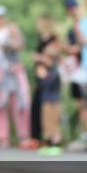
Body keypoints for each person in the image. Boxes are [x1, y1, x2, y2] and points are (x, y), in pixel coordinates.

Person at [0, 5, 31, 148]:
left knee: (21, 102)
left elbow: (20, 45)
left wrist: (14, 36)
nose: (0, 20)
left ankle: (23, 136)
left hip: (15, 69)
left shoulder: (11, 30)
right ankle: (1, 137)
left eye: (2, 16)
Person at [62, 0, 87, 151]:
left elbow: (81, 46)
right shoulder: (71, 29)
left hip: (86, 68)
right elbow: (69, 48)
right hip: (76, 71)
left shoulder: (86, 25)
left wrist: (73, 48)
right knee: (81, 104)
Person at [30, 14, 60, 147]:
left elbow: (54, 56)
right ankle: (43, 139)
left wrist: (41, 59)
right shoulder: (40, 39)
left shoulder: (54, 40)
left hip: (50, 84)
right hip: (43, 82)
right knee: (43, 111)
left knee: (51, 114)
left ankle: (53, 142)